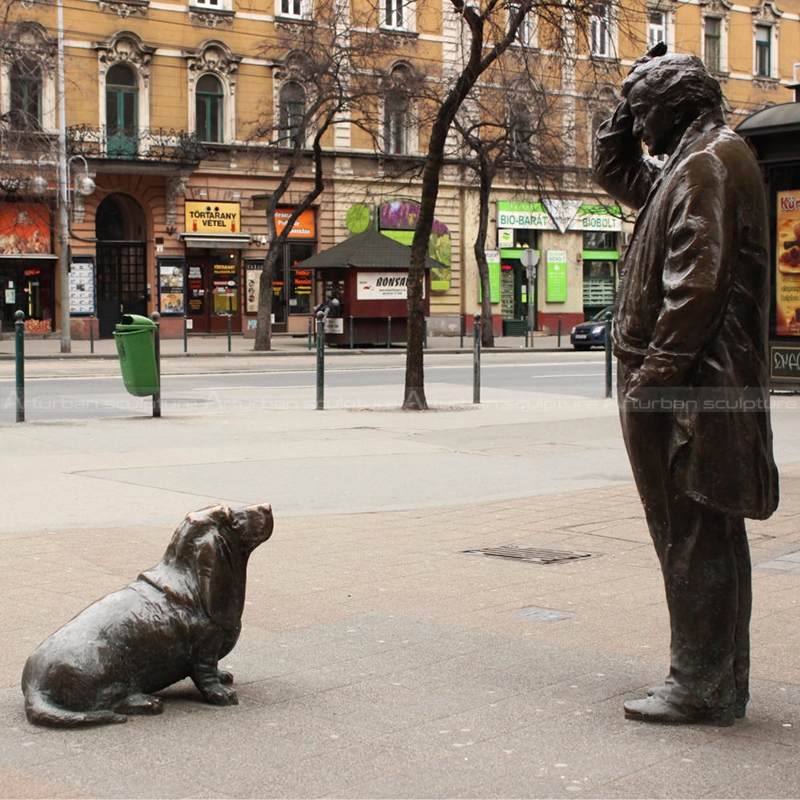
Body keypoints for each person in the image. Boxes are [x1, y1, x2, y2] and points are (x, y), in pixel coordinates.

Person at [593, 52, 779, 726]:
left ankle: (700, 683)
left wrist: (653, 381)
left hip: (690, 390)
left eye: (647, 114)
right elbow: (616, 173)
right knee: (703, 531)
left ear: (681, 106)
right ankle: (714, 680)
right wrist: (625, 98)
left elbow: (696, 286)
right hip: (690, 383)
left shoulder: (706, 164)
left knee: (692, 532)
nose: (640, 130)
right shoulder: (693, 158)